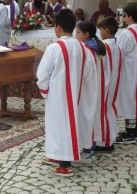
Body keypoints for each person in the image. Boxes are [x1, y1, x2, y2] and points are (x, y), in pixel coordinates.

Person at [37, 9, 95, 176]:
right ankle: (57, 155)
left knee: (59, 127)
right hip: (76, 93)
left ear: (59, 27)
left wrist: (45, 91)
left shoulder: (54, 48)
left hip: (57, 94)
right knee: (64, 126)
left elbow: (42, 75)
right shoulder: (82, 47)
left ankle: (65, 164)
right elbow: (87, 72)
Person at [115, 2, 137, 144]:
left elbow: (118, 53)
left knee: (131, 98)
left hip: (130, 71)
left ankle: (131, 133)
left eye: (125, 16)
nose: (124, 18)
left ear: (129, 17)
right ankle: (134, 130)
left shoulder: (128, 33)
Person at [76, 21, 107, 163]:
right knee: (91, 115)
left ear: (86, 34)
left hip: (87, 87)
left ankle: (88, 149)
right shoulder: (96, 45)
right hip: (96, 85)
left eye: (78, 33)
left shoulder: (86, 49)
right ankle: (90, 146)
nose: (76, 35)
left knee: (87, 116)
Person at [95, 17, 122, 152]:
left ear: (106, 30)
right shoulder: (116, 46)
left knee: (102, 111)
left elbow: (98, 65)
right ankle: (110, 137)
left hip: (104, 83)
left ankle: (104, 142)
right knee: (109, 110)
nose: (99, 33)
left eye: (100, 30)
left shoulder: (103, 47)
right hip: (113, 82)